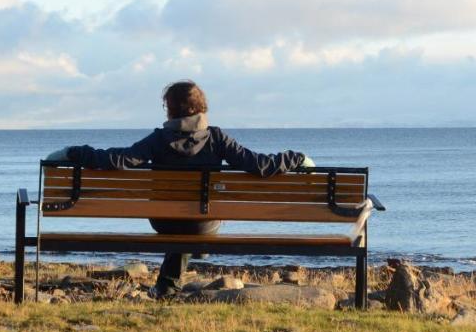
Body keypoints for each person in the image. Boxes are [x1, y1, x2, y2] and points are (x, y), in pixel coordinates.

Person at [46, 80, 314, 298]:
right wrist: (297, 158)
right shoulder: (217, 138)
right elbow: (260, 165)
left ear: (171, 110)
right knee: (195, 212)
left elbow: (117, 160)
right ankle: (167, 285)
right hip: (203, 222)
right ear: (201, 108)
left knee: (180, 214)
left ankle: (167, 286)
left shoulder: (159, 138)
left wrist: (72, 152)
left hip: (164, 221)